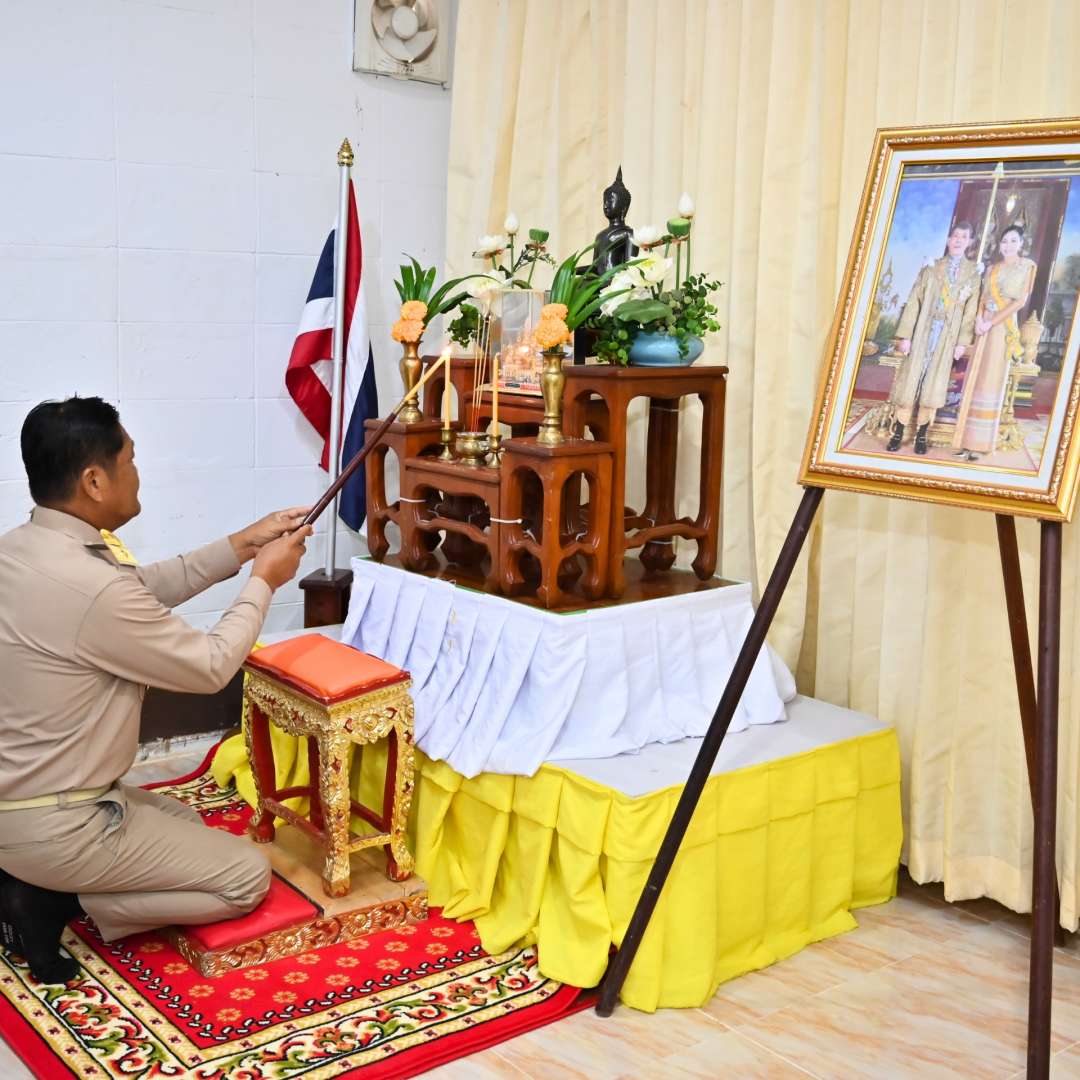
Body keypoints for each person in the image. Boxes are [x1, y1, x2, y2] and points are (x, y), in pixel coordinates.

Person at [0, 396, 313, 983]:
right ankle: (54, 900)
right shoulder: (93, 588)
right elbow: (212, 666)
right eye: (130, 460)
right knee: (244, 878)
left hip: (23, 802)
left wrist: (243, 543)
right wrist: (264, 580)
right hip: (58, 821)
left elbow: (140, 589)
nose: (137, 473)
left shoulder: (23, 549)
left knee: (187, 825)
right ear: (95, 481)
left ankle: (38, 879)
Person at [886, 221, 982, 454]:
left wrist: (962, 342)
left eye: (964, 237)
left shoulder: (972, 275)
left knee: (934, 383)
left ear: (969, 242)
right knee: (910, 380)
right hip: (923, 330)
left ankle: (921, 435)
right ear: (949, 240)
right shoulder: (931, 268)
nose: (958, 240)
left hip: (947, 336)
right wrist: (906, 336)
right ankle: (898, 431)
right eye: (955, 236)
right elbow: (914, 301)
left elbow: (970, 312)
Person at [953, 224, 1037, 460]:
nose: (1008, 245)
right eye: (1004, 241)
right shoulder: (992, 268)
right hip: (984, 327)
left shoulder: (1028, 266)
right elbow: (983, 298)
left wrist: (992, 322)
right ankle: (965, 442)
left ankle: (980, 445)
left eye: (1013, 240)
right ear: (999, 245)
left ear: (1021, 243)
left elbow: (1020, 301)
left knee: (991, 380)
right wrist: (980, 319)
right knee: (975, 380)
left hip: (1002, 328)